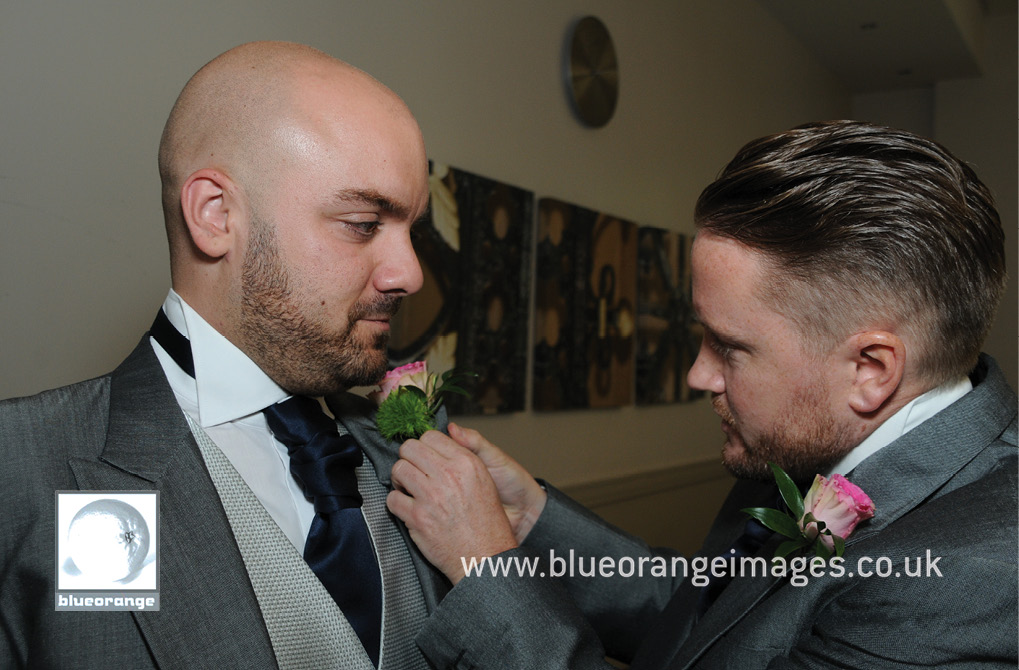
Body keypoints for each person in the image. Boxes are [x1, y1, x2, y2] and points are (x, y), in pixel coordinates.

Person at [387, 121, 1018, 668]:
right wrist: (529, 518)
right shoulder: (805, 442)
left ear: (871, 369)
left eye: (730, 347)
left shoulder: (969, 578)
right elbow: (704, 618)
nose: (698, 375)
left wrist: (487, 571)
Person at [0, 41, 448, 669]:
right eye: (362, 222)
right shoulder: (22, 467)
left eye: (412, 230)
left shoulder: (410, 445)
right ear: (216, 216)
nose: (410, 274)